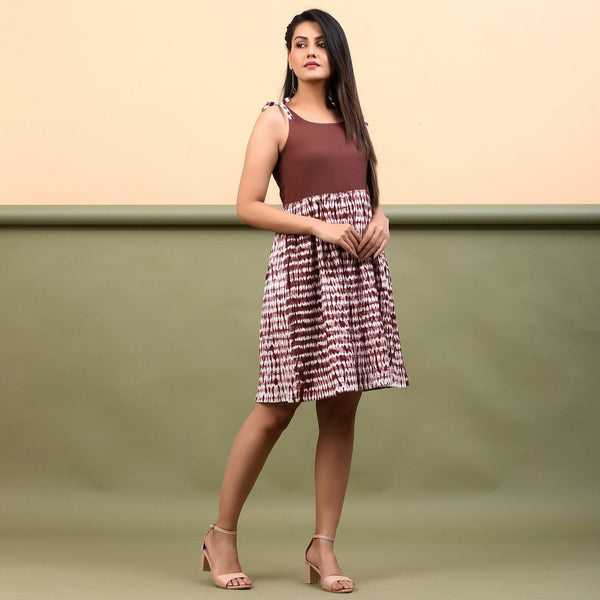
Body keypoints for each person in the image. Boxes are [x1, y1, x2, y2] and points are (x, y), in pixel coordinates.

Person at [201, 8, 409, 593]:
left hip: (357, 273)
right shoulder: (275, 118)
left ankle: (323, 549)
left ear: (336, 53)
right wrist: (316, 227)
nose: (309, 51)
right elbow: (247, 205)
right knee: (277, 408)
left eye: (320, 43)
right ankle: (221, 534)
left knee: (342, 407)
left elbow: (366, 191)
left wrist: (381, 215)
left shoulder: (353, 120)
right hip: (303, 269)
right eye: (299, 43)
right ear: (288, 57)